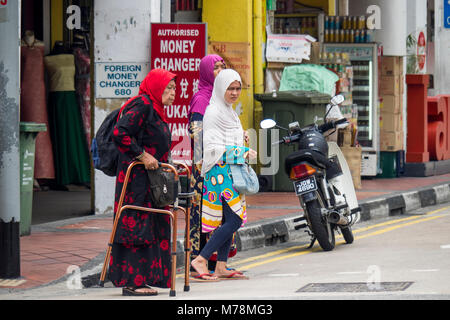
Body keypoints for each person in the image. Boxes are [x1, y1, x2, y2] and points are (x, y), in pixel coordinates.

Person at [109, 68, 176, 296]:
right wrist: (143, 155)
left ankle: (145, 279)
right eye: (168, 87)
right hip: (137, 181)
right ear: (156, 86)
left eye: (174, 88)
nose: (173, 92)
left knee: (152, 227)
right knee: (137, 226)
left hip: (151, 181)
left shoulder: (155, 109)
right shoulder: (143, 105)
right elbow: (120, 133)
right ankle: (132, 283)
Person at [190, 69, 256, 281]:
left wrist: (241, 137)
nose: (235, 93)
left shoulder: (229, 111)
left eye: (238, 88)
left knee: (230, 219)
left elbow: (229, 138)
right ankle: (201, 259)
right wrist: (243, 151)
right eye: (230, 88)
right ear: (220, 88)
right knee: (235, 219)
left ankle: (221, 265)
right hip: (219, 174)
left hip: (231, 173)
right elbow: (211, 148)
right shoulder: (214, 113)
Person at [188, 54, 227, 271]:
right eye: (216, 68)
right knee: (203, 212)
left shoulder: (219, 97)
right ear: (205, 72)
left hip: (219, 165)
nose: (220, 71)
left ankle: (212, 259)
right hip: (205, 165)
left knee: (217, 212)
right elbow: (196, 132)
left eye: (223, 66)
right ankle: (198, 258)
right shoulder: (202, 98)